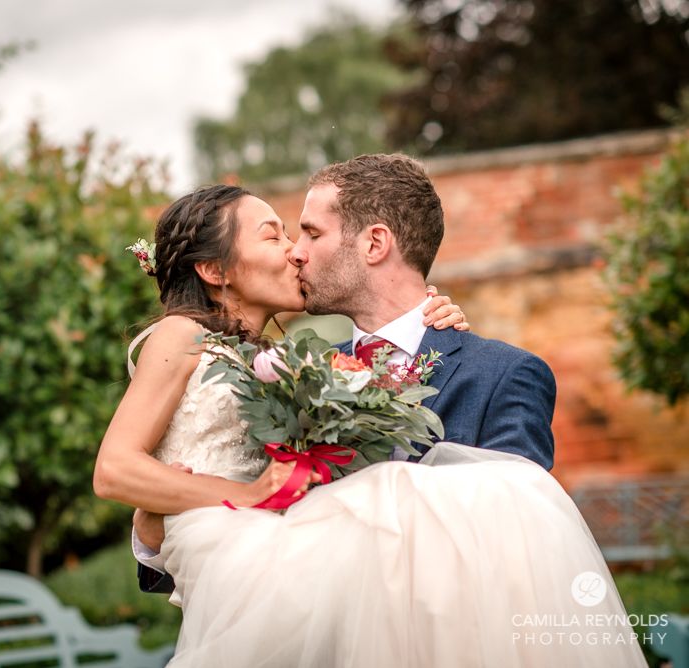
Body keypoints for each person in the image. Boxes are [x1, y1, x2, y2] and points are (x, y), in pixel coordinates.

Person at [94, 165, 645, 666]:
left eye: (308, 233)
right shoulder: (292, 372)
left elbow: (521, 546)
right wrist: (153, 528)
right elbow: (257, 500)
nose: (296, 252)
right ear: (216, 270)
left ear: (375, 243)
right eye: (282, 235)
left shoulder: (498, 375)